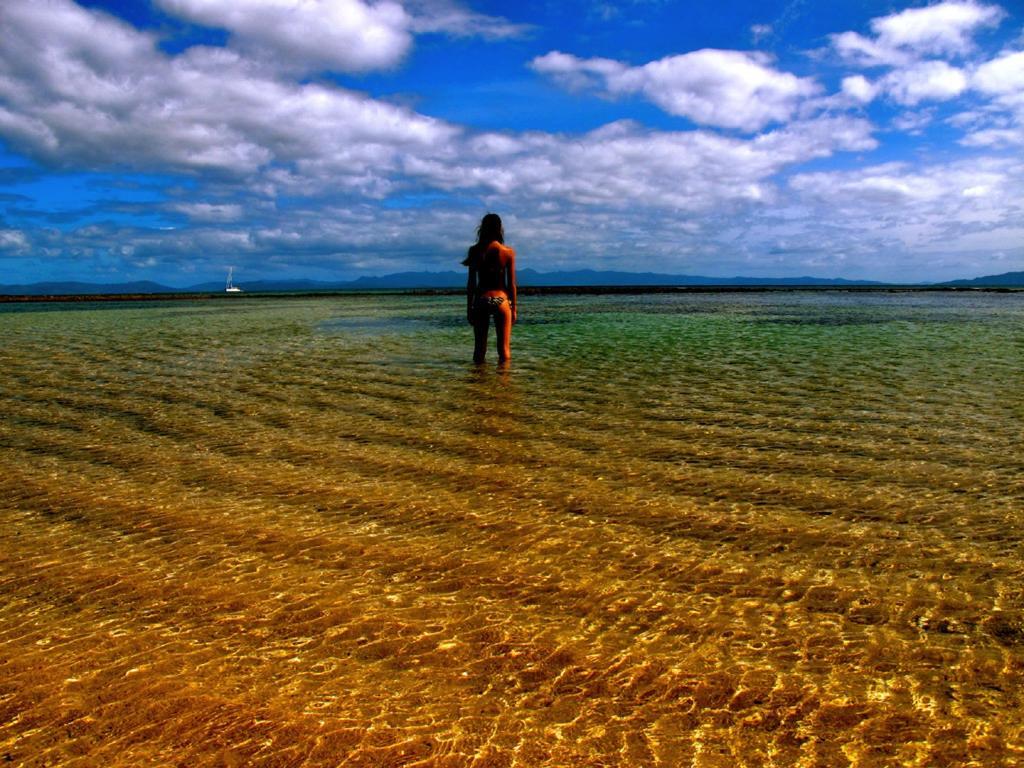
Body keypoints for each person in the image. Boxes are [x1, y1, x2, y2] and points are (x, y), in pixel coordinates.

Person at [464, 213, 517, 364]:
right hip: (501, 300)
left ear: (482, 228)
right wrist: (514, 309)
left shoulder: (475, 251)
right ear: (500, 229)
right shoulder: (508, 252)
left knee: (480, 351)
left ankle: (478, 385)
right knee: (504, 351)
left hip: (482, 299)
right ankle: (504, 385)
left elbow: (471, 284)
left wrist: (469, 309)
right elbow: (511, 284)